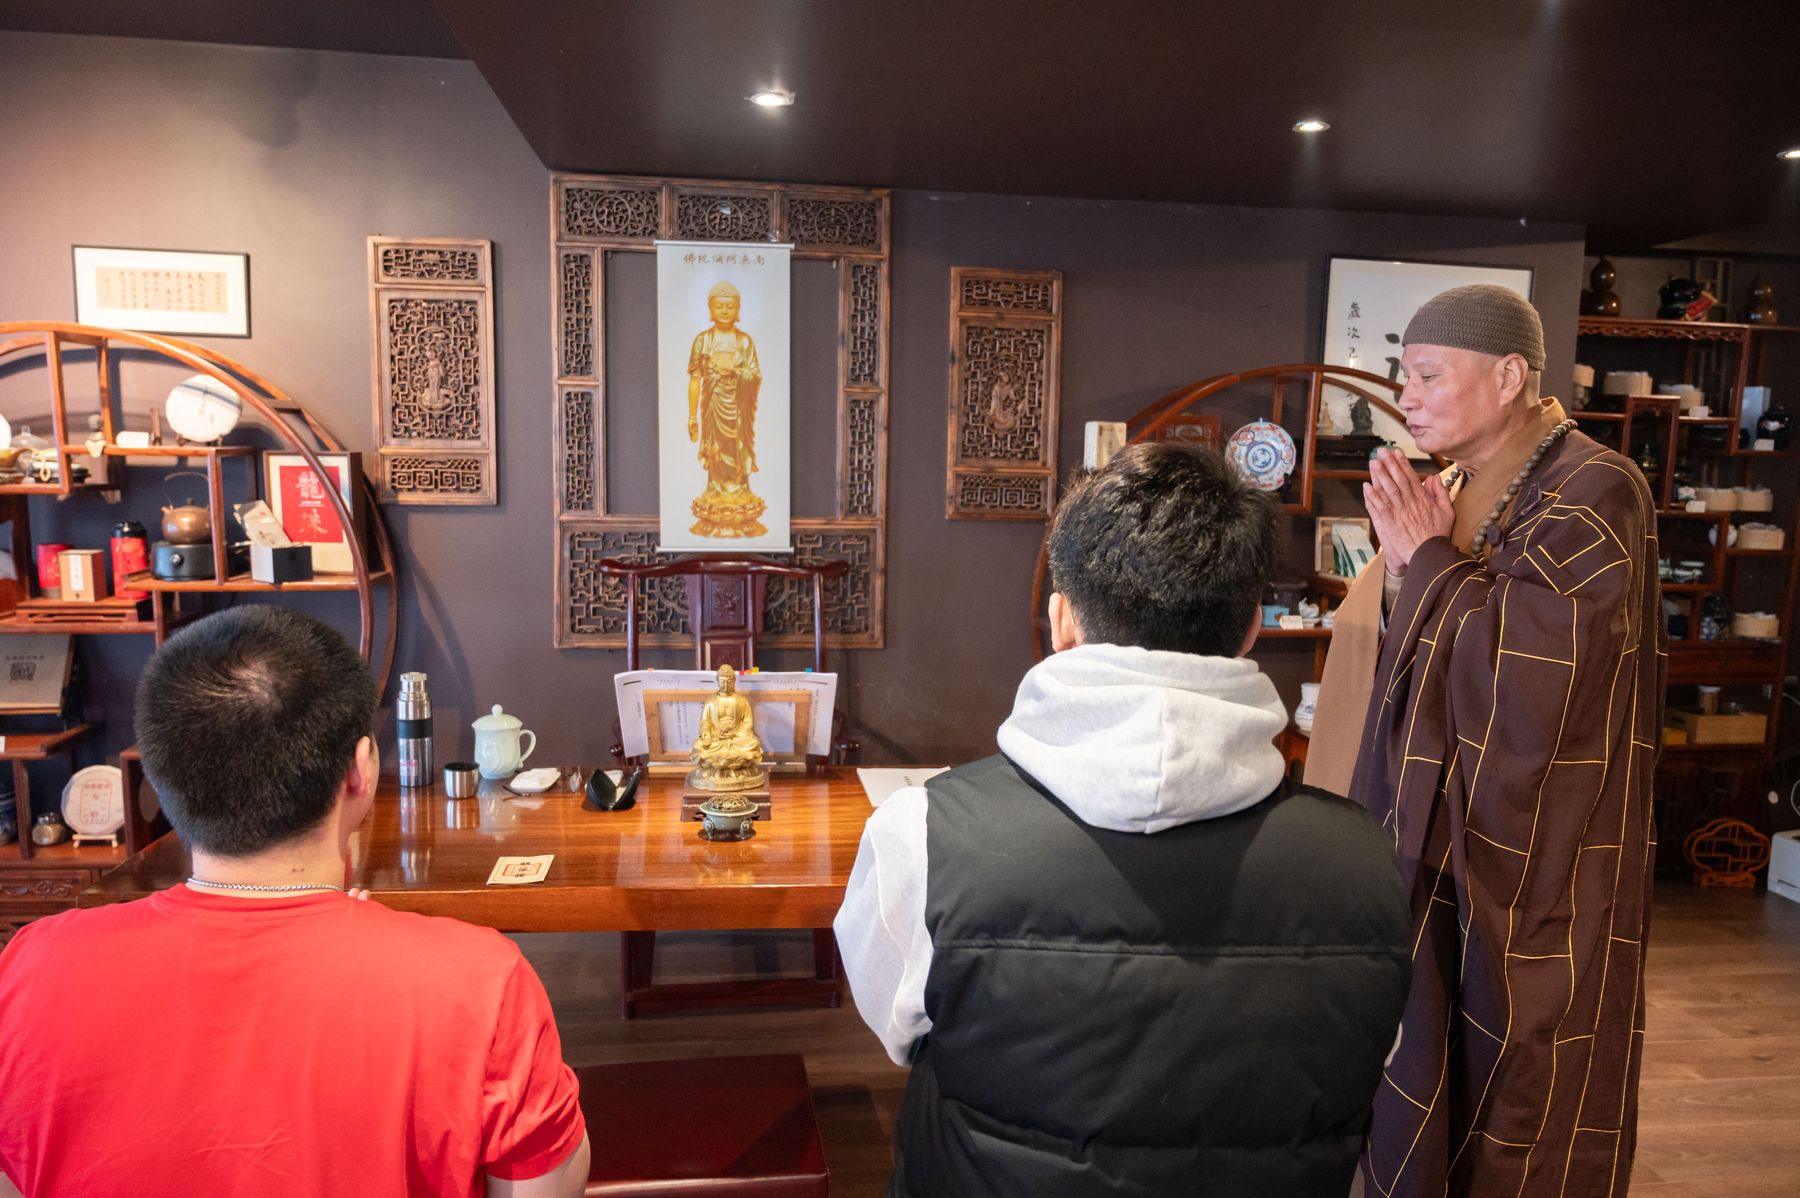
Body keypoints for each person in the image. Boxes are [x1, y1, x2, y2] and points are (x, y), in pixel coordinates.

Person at [835, 442, 1413, 1197]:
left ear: (1062, 621)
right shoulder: (1368, 860)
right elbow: (1373, 1051)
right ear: (1250, 628)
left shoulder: (921, 835)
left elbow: (898, 1031)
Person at [0, 607, 591, 1198]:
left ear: (158, 777)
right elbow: (545, 1187)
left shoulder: (28, 968)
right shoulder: (480, 980)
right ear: (359, 770)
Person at [1306, 285, 1663, 1198]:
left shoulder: (1596, 488)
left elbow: (1544, 674)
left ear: (1508, 377)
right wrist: (1409, 566)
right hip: (1442, 835)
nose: (1406, 396)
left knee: (1520, 1073)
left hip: (1536, 850)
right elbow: (1418, 627)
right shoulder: (1461, 485)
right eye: (1404, 375)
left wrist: (1426, 562)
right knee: (1424, 1048)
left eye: (1427, 375)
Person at [686, 279, 765, 537]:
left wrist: (738, 374)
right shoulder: (703, 340)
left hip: (738, 407)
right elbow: (695, 380)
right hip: (713, 404)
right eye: (719, 306)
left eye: (729, 306)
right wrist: (691, 416)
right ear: (710, 309)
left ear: (738, 310)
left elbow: (755, 375)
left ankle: (739, 491)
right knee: (716, 449)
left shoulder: (745, 342)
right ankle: (716, 491)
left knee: (738, 446)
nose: (724, 311)